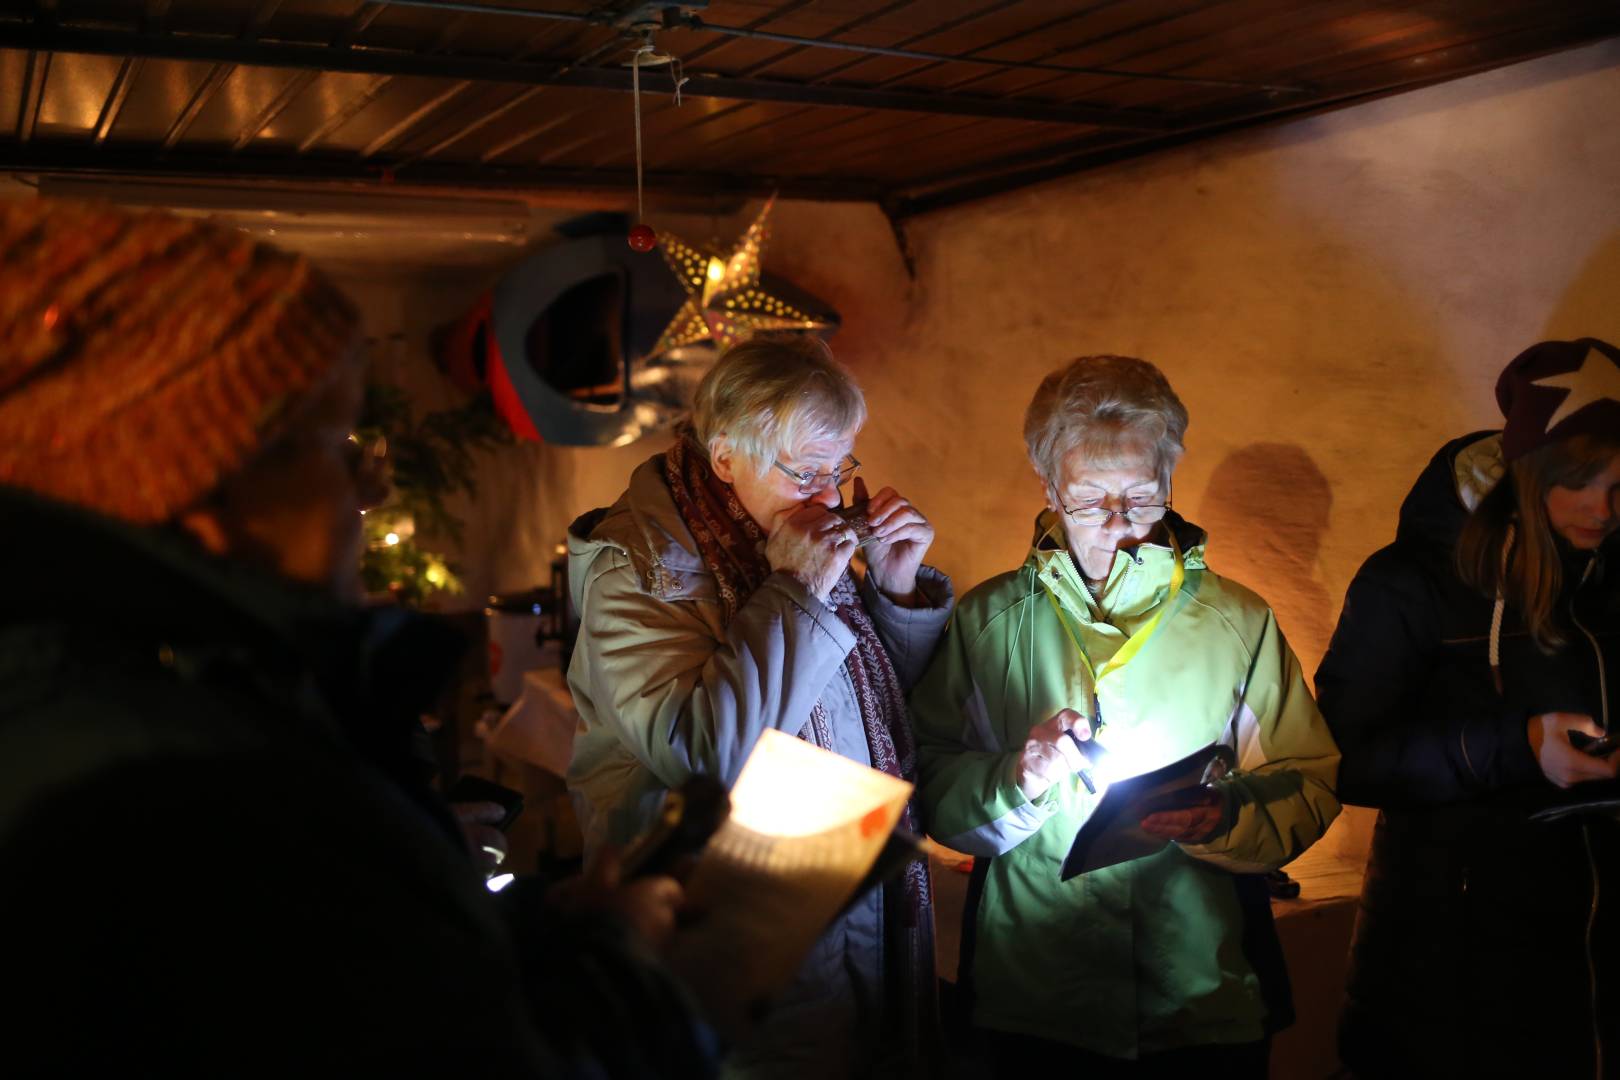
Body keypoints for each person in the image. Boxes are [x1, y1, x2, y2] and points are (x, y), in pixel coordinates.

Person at [0, 197, 711, 1078]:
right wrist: (622, 967)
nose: (366, 492)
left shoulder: (150, 695)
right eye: (330, 449)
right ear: (207, 497)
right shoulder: (190, 795)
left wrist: (515, 928)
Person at [911, 354, 1341, 1077]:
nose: (1118, 525)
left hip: (1202, 994)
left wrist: (1224, 818)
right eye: (1088, 500)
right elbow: (928, 781)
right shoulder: (990, 622)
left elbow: (1309, 779)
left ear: (1170, 482)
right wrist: (1019, 777)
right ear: (1048, 488)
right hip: (1036, 996)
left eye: (1141, 497)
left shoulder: (1236, 621)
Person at [565, 333, 953, 1078]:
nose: (830, 496)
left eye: (841, 469)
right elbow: (702, 755)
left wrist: (897, 593)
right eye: (806, 471)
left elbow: (867, 712)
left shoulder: (789, 537)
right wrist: (796, 591)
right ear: (724, 458)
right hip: (729, 942)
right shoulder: (639, 571)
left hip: (843, 896)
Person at [1316, 337, 1620, 1078]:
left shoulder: (1608, 567)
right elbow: (1343, 758)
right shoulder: (1411, 581)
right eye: (1583, 482)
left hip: (1590, 936)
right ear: (1529, 469)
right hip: (1450, 947)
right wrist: (1517, 746)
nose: (1605, 509)